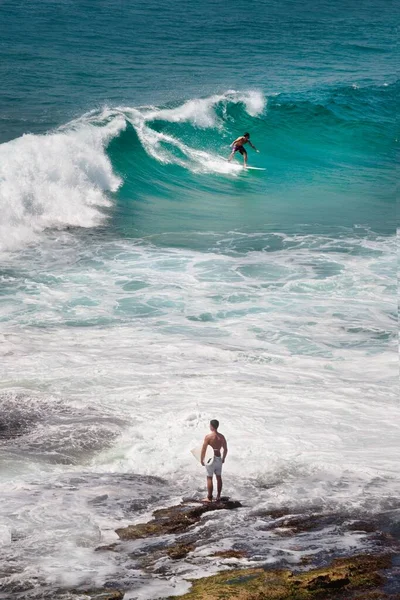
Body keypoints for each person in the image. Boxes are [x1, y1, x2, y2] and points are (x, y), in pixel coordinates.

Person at [200, 419, 228, 502]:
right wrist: (223, 458)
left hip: (210, 459)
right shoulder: (222, 437)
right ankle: (218, 496)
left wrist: (202, 459)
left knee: (209, 478)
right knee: (219, 477)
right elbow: (226, 449)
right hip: (219, 458)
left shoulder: (208, 437)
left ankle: (209, 497)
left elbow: (204, 449)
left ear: (211, 426)